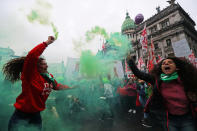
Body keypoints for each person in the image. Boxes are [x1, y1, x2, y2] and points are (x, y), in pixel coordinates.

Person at [2, 36, 74, 131]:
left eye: (46, 63)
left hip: (36, 115)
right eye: (44, 64)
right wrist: (46, 43)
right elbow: (31, 56)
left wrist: (70, 87)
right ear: (36, 66)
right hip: (22, 114)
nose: (47, 65)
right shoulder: (30, 74)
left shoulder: (48, 76)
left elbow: (56, 86)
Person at [127, 56, 197, 131]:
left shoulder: (186, 79)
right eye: (163, 63)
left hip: (187, 118)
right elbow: (139, 74)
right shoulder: (157, 80)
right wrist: (130, 61)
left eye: (170, 62)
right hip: (169, 119)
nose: (166, 63)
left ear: (177, 67)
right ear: (161, 69)